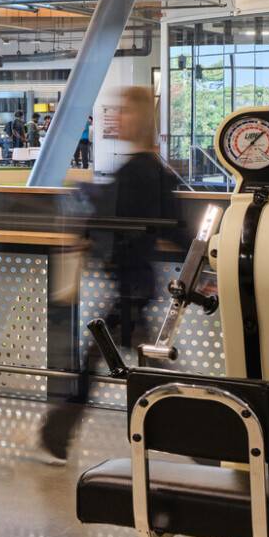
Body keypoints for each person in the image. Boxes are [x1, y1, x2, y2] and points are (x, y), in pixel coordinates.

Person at [35, 87, 187, 463]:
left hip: (132, 289)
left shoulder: (139, 171)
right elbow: (174, 230)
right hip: (136, 286)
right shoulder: (151, 170)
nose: (114, 117)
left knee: (120, 365)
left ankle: (57, 433)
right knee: (145, 368)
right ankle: (57, 433)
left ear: (139, 120)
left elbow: (122, 220)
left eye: (122, 111)